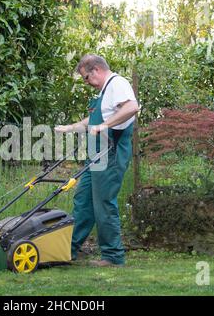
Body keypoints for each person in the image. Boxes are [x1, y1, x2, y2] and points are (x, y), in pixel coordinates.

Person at [55, 54, 139, 267]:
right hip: (96, 155)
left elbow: (131, 107)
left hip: (111, 152)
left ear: (96, 70)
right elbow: (95, 119)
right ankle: (67, 251)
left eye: (86, 78)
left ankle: (112, 256)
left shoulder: (117, 83)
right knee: (83, 202)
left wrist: (105, 126)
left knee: (103, 203)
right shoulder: (104, 91)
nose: (86, 83)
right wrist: (70, 127)